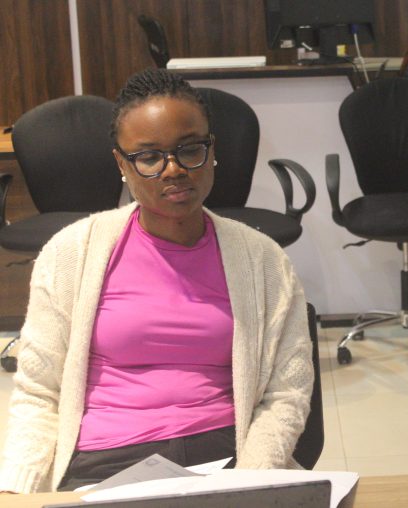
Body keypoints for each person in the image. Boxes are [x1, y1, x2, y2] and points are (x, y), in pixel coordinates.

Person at [0, 69, 313, 493]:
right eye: (149, 157)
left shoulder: (263, 261)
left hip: (230, 455)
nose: (173, 170)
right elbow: (40, 393)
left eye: (190, 149)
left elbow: (286, 394)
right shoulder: (70, 254)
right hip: (104, 462)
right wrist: (17, 488)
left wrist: (251, 481)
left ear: (211, 150)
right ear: (122, 164)